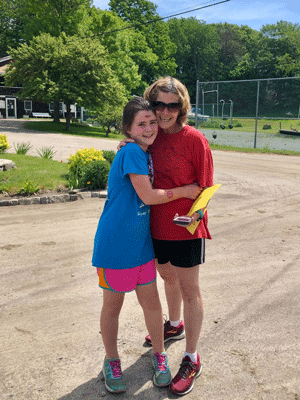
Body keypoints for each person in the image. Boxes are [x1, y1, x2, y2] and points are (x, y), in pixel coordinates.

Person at [92, 97, 200, 394]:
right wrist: (186, 192)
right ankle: (111, 360)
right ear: (128, 129)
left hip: (141, 247)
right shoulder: (132, 154)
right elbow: (149, 196)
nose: (151, 127)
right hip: (115, 246)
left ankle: (160, 355)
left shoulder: (140, 150)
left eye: (153, 122)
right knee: (112, 306)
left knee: (152, 304)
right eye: (142, 123)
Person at [119, 77, 214, 396]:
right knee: (166, 277)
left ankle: (191, 357)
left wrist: (196, 217)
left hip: (186, 229)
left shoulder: (195, 139)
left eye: (172, 105)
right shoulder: (149, 137)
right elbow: (135, 157)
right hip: (155, 226)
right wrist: (125, 145)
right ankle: (174, 323)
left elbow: (206, 188)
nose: (164, 111)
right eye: (158, 104)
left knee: (190, 289)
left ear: (182, 107)